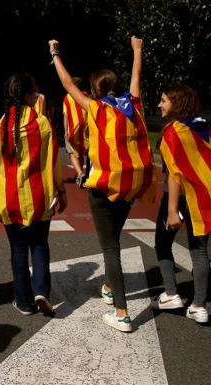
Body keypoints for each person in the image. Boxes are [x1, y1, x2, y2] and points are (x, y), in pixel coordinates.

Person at [49, 37, 156, 332]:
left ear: (95, 90)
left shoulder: (95, 108)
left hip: (101, 185)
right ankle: (110, 287)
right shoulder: (133, 105)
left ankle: (122, 313)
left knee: (110, 248)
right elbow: (136, 76)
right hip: (128, 185)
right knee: (114, 239)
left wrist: (55, 53)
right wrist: (137, 50)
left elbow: (68, 84)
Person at [0, 73, 66, 316]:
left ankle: (23, 302)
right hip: (39, 198)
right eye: (34, 91)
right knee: (39, 246)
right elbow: (53, 160)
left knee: (17, 251)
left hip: (10, 201)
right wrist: (61, 189)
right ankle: (41, 292)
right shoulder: (42, 123)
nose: (37, 95)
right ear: (27, 95)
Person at [155, 85, 210, 323]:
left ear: (176, 104)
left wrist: (171, 210)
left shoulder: (172, 132)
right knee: (199, 252)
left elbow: (174, 174)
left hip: (183, 197)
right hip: (206, 196)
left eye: (163, 100)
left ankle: (171, 293)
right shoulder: (203, 126)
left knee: (162, 242)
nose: (159, 105)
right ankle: (199, 305)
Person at [62, 77, 88, 185]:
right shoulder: (86, 95)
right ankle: (80, 174)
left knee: (73, 153)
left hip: (73, 129)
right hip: (86, 129)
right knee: (82, 153)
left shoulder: (67, 98)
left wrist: (65, 131)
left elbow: (66, 116)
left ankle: (80, 173)